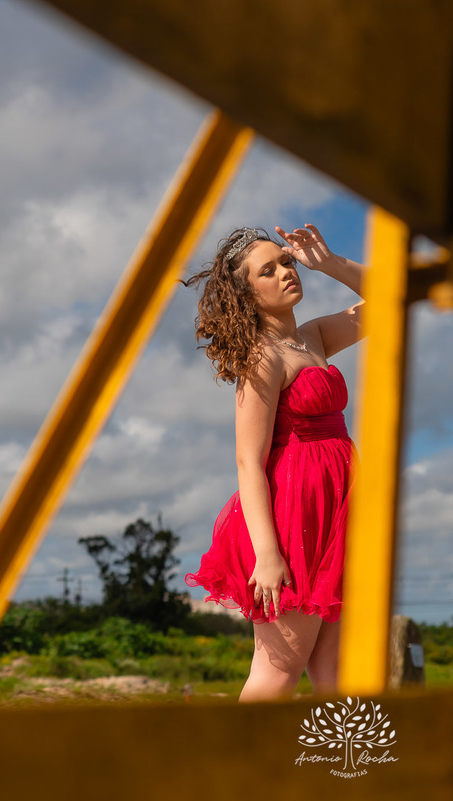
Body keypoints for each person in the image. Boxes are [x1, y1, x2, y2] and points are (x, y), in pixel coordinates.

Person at [181, 223, 367, 702]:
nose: (287, 271)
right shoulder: (262, 358)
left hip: (337, 509)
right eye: (270, 269)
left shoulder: (314, 338)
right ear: (248, 295)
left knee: (337, 672)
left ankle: (352, 773)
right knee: (278, 671)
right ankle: (222, 776)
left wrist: (329, 264)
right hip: (294, 518)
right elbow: (248, 460)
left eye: (286, 261)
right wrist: (268, 554)